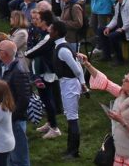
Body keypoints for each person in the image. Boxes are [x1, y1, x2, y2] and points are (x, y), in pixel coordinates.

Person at [79, 54, 129, 165]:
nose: (123, 80)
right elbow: (105, 82)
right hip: (119, 155)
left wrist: (121, 121)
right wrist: (87, 64)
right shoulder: (122, 93)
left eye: (127, 80)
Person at [49, 18, 86, 159]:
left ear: (56, 32)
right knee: (70, 118)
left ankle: (73, 151)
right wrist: (82, 83)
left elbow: (77, 68)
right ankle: (70, 149)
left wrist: (82, 83)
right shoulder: (62, 46)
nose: (49, 31)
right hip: (67, 83)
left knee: (72, 118)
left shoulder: (63, 49)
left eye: (51, 29)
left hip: (70, 84)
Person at [0, 40, 30, 166]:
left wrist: (11, 117)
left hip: (15, 120)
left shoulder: (19, 71)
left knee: (19, 157)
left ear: (5, 54)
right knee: (11, 155)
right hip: (9, 117)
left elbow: (24, 99)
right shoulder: (6, 67)